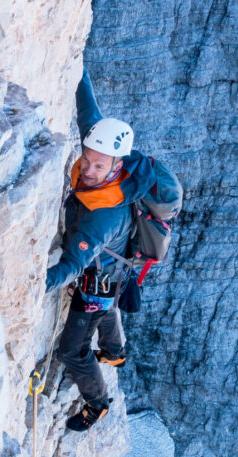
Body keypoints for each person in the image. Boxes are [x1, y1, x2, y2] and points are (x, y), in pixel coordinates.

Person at [45, 68, 156, 432]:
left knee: (71, 351)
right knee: (106, 308)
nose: (89, 170)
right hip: (116, 265)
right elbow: (87, 112)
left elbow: (73, 264)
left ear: (116, 166)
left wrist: (34, 283)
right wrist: (79, 68)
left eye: (98, 166)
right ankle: (114, 352)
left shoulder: (101, 218)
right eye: (87, 159)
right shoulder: (103, 151)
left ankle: (97, 402)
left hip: (98, 281)